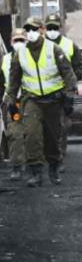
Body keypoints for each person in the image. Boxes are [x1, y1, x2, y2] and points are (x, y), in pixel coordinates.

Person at [5, 17, 78, 187]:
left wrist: (68, 96)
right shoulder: (20, 54)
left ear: (42, 30)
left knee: (53, 137)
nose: (31, 33)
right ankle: (36, 172)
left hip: (53, 99)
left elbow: (68, 73)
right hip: (32, 99)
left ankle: (53, 166)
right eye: (28, 29)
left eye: (34, 29)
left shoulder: (54, 49)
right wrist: (10, 100)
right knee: (31, 134)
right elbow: (14, 79)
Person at [44, 13, 81, 171]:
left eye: (55, 27)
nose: (52, 30)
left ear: (60, 28)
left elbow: (79, 67)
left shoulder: (69, 45)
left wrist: (70, 79)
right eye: (49, 27)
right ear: (45, 28)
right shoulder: (38, 45)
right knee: (44, 126)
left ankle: (59, 159)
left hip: (63, 91)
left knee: (62, 125)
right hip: (42, 92)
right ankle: (48, 158)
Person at [0, 29, 27, 180]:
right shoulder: (5, 60)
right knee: (14, 134)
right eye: (16, 40)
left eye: (21, 40)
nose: (19, 43)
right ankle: (17, 167)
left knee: (33, 134)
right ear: (11, 42)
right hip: (13, 104)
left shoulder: (34, 57)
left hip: (32, 102)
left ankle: (36, 165)